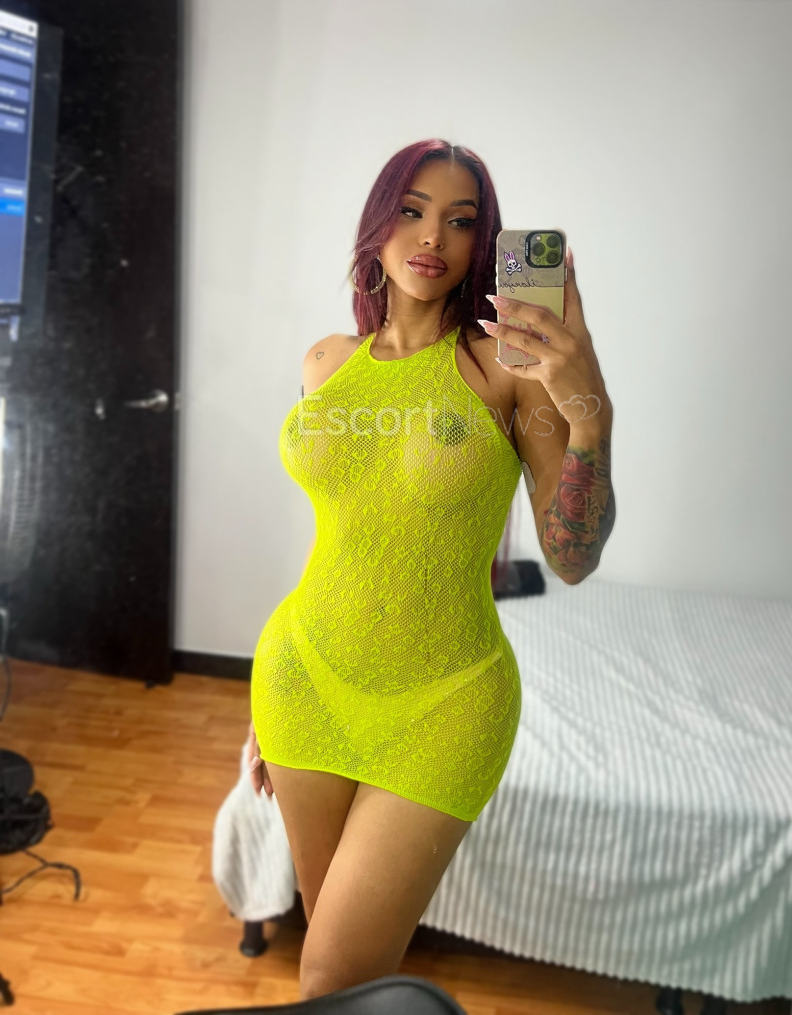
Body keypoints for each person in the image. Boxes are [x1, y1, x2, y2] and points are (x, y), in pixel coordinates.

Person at [247, 139, 615, 1001]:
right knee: (336, 987)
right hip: (301, 678)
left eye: (460, 221)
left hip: (444, 703)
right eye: (411, 211)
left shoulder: (508, 374)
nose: (431, 237)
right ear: (377, 225)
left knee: (334, 972)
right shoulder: (325, 362)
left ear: (482, 244)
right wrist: (262, 706)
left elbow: (571, 558)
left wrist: (590, 412)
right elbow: (351, 529)